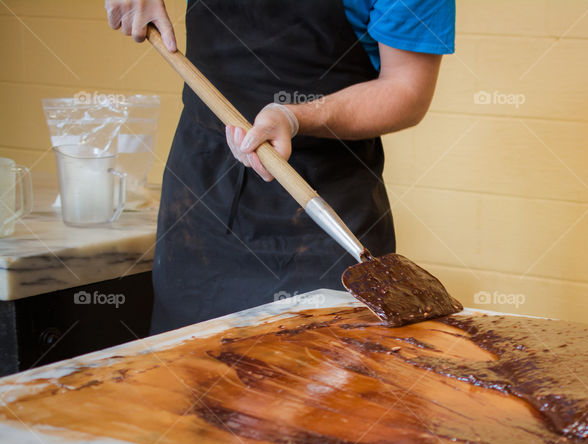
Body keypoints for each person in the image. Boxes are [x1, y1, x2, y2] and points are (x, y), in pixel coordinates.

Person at [105, 0, 455, 332]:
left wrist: (296, 115)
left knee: (320, 381)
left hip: (325, 211)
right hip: (201, 204)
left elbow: (407, 90)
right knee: (186, 378)